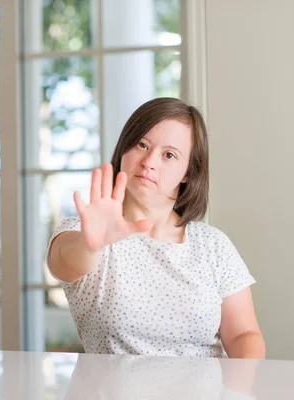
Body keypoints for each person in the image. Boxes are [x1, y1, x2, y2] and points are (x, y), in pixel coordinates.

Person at [46, 97, 265, 359]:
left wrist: (238, 393)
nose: (149, 161)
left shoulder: (213, 244)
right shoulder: (84, 229)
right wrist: (90, 245)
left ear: (187, 173)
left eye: (169, 155)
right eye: (142, 144)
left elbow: (243, 335)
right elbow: (65, 262)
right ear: (124, 149)